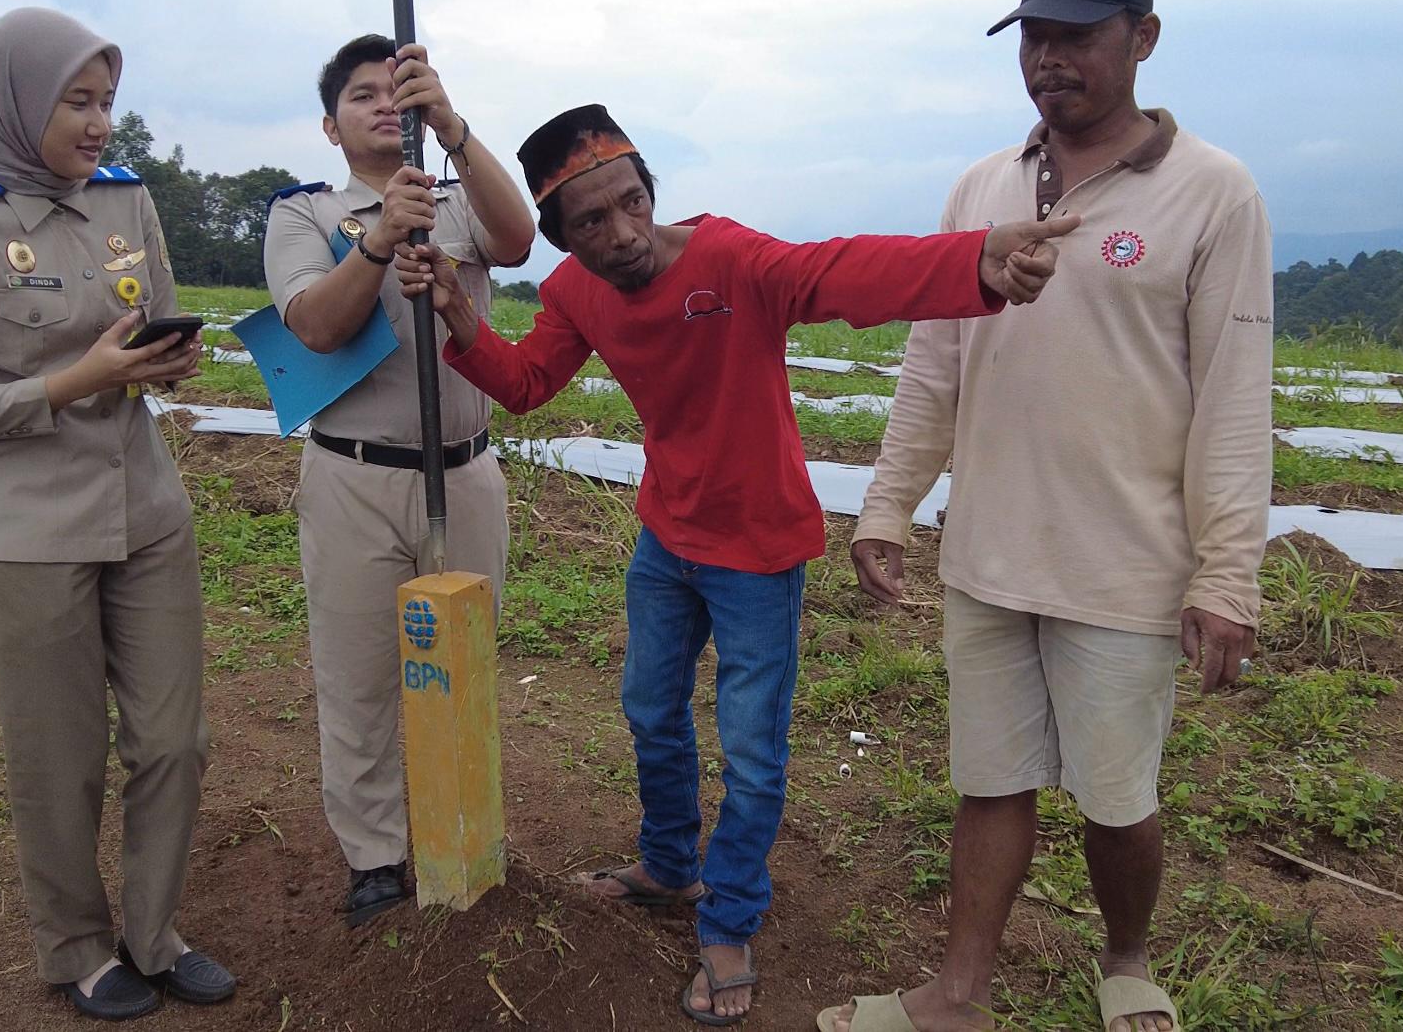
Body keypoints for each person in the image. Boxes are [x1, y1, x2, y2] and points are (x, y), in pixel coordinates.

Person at [394, 102, 1074, 1026]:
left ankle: (729, 917)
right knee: (649, 709)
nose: (624, 232)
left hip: (758, 550)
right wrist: (455, 312)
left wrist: (975, 257)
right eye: (593, 222)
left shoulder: (732, 260)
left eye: (633, 202)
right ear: (562, 238)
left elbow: (838, 270)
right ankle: (671, 865)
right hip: (667, 539)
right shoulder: (577, 295)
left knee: (752, 750)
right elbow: (525, 386)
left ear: (650, 190)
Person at [822, 0, 1273, 1032]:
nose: (1046, 58)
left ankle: (1125, 962)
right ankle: (957, 994)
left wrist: (1226, 573)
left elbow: (1230, 398)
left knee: (1116, 800)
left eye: (1075, 36)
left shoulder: (1211, 195)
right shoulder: (982, 186)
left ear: (1143, 39)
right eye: (1033, 35)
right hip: (987, 552)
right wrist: (888, 504)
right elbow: (934, 367)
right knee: (990, 779)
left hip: (1122, 562)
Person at [0, 7, 235, 1021]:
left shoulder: (125, 202)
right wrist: (70, 380)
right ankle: (79, 948)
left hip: (145, 509)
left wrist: (164, 361)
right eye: (75, 103)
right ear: (12, 104)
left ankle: (154, 932)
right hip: (25, 535)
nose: (97, 125)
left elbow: (150, 323)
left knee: (173, 738)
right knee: (58, 757)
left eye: (106, 104)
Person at [261, 35, 534, 925]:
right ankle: (376, 854)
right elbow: (313, 326)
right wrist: (378, 242)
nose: (385, 105)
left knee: (462, 658)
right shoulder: (306, 214)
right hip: (355, 475)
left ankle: (462, 824)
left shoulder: (453, 193)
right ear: (331, 124)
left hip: (466, 468)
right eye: (362, 95)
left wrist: (452, 128)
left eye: (399, 93)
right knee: (361, 675)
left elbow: (520, 239)